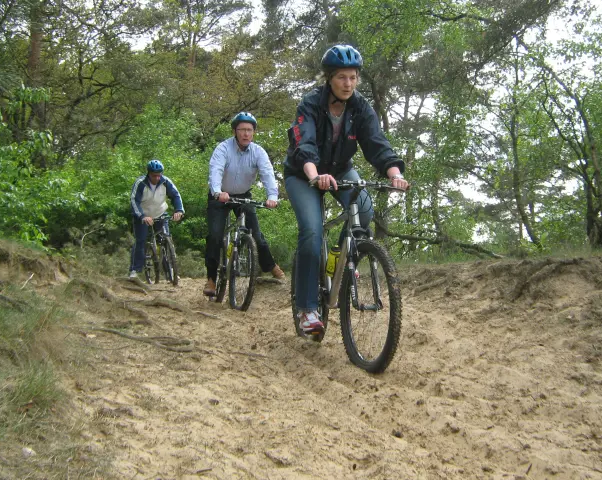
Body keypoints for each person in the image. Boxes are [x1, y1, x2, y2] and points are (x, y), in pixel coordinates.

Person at [283, 44, 410, 334]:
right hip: (303, 174)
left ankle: (337, 260)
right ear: (329, 78)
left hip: (340, 171)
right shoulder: (310, 103)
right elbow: (304, 144)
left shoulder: (360, 107)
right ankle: (307, 309)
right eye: (342, 77)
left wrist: (395, 173)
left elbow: (376, 142)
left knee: (364, 211)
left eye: (353, 77)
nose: (348, 84)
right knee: (313, 232)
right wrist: (315, 175)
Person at [203, 111, 285, 296]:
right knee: (215, 236)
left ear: (254, 132)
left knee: (255, 234)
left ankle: (270, 266)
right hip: (220, 196)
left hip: (243, 195)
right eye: (242, 130)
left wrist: (272, 196)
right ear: (235, 131)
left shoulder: (258, 152)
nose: (246, 134)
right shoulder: (223, 149)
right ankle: (210, 279)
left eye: (249, 130)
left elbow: (267, 174)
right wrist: (217, 191)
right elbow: (215, 170)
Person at [129, 159, 185, 278]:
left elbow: (176, 195)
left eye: (159, 175)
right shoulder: (140, 183)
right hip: (143, 216)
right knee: (141, 241)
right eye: (154, 176)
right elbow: (134, 201)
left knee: (165, 239)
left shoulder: (166, 182)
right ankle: (135, 270)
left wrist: (179, 210)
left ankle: (169, 270)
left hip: (160, 213)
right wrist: (142, 216)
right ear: (148, 173)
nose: (157, 178)